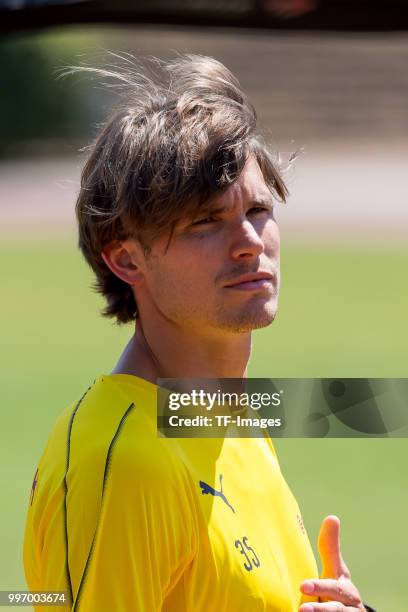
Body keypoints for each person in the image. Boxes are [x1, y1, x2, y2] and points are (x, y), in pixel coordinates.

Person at [23, 54, 375, 612]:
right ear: (126, 260)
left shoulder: (221, 415)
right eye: (205, 222)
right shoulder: (125, 464)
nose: (250, 242)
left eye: (258, 209)